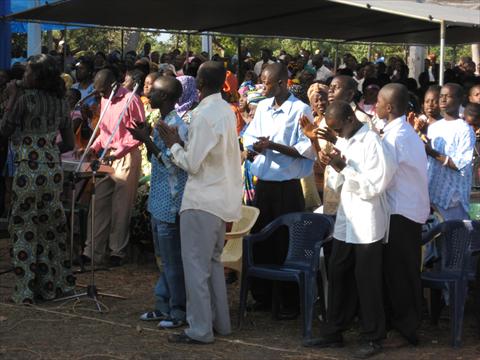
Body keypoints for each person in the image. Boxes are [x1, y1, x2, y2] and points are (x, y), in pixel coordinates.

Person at [157, 61, 243, 344]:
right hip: (221, 200)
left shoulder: (204, 114)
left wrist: (172, 145)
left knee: (196, 267)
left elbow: (192, 163)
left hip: (202, 199)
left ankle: (200, 329)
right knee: (213, 264)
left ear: (200, 85)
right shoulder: (226, 111)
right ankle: (221, 324)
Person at [306, 101, 390, 358]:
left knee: (367, 280)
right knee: (338, 271)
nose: (336, 133)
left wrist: (343, 167)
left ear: (350, 119)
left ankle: (373, 337)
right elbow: (338, 177)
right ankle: (334, 331)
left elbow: (375, 186)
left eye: (337, 128)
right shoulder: (346, 139)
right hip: (346, 219)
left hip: (367, 222)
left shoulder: (373, 143)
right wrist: (329, 161)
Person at [0, 54, 76, 304]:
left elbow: (5, 130)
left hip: (28, 171)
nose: (24, 76)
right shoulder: (60, 101)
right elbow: (68, 142)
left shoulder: (24, 99)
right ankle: (52, 285)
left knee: (24, 228)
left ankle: (26, 291)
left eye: (28, 73)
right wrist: (47, 150)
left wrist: (11, 98)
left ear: (38, 76)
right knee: (49, 228)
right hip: (52, 169)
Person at [242, 63, 315, 316]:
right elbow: (250, 137)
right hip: (264, 186)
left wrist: (273, 145)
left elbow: (306, 149)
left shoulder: (300, 109)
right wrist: (255, 146)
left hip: (287, 188)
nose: (263, 86)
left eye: (267, 82)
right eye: (262, 81)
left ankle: (288, 301)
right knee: (262, 240)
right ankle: (262, 295)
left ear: (282, 83)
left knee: (286, 242)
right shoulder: (262, 106)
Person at [128, 76, 188, 329]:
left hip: (171, 203)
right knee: (164, 259)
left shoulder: (176, 126)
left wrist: (147, 140)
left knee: (172, 261)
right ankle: (163, 306)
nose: (147, 94)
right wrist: (147, 137)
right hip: (159, 201)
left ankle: (178, 311)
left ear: (164, 97)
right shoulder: (162, 122)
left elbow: (174, 164)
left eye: (152, 91)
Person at [377, 83, 430, 345]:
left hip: (402, 212)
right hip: (401, 210)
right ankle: (396, 324)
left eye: (377, 102)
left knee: (401, 273)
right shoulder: (399, 132)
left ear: (388, 107)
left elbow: (382, 177)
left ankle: (406, 330)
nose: (373, 106)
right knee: (396, 271)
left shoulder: (397, 137)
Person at [81, 69, 145, 267]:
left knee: (120, 206)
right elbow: (104, 131)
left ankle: (117, 250)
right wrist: (93, 147)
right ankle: (92, 251)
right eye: (98, 92)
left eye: (102, 91)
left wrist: (117, 153)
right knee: (98, 202)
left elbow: (137, 134)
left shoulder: (131, 100)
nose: (100, 95)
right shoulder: (104, 99)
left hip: (125, 156)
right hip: (106, 156)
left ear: (113, 85)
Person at [426, 83, 475, 221]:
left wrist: (432, 153)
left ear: (459, 100)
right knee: (434, 239)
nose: (443, 100)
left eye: (448, 96)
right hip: (433, 193)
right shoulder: (434, 127)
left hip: (452, 199)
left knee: (453, 240)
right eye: (441, 96)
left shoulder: (464, 129)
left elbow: (460, 164)